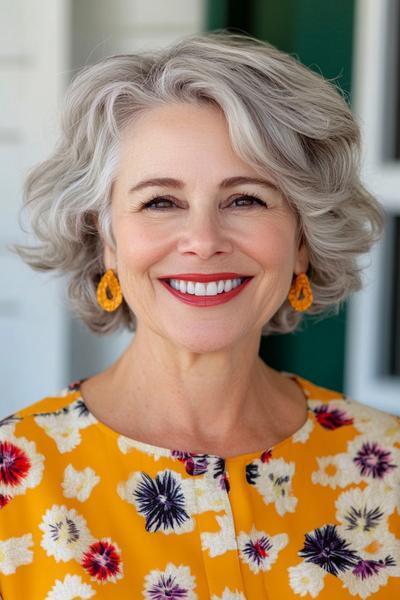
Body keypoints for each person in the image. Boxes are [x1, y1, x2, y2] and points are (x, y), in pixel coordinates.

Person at [1, 30, 399, 599]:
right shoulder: (14, 481)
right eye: (160, 202)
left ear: (303, 241)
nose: (204, 240)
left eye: (246, 199)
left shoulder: (387, 466)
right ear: (107, 241)